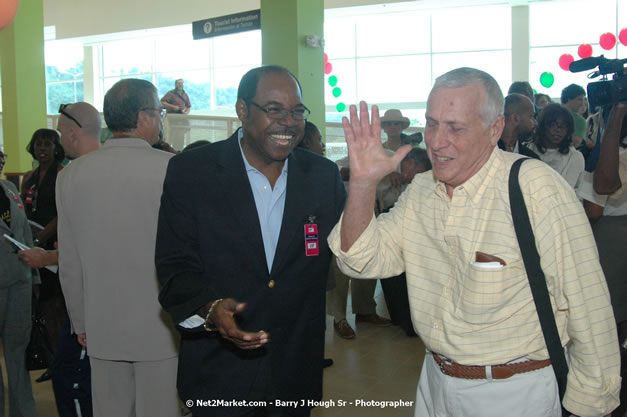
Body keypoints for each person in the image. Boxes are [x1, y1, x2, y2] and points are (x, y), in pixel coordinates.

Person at [328, 67, 620, 417]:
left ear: (494, 129)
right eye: (432, 123)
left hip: (513, 392)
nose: (436, 141)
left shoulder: (534, 188)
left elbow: (588, 304)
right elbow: (360, 260)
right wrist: (362, 182)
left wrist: (590, 405)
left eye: (455, 127)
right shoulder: (423, 190)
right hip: (434, 382)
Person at [155, 65, 345, 417]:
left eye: (297, 111)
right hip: (219, 370)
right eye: (274, 109)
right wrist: (209, 310)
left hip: (294, 371)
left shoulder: (321, 176)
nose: (288, 122)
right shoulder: (193, 172)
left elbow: (355, 251)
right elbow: (174, 264)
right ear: (242, 110)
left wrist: (365, 182)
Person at [56, 80, 179, 417]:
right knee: (159, 409)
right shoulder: (170, 169)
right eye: (159, 112)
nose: (160, 119)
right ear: (142, 117)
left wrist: (80, 322)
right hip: (161, 325)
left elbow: (68, 260)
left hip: (100, 322)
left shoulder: (71, 175)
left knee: (110, 409)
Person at [19, 102, 101, 417]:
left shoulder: (76, 175)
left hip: (91, 299)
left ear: (70, 132)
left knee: (72, 376)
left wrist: (46, 255)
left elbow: (87, 247)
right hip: (101, 298)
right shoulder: (92, 170)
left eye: (57, 133)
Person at [21, 128, 66, 383]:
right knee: (44, 305)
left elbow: (63, 213)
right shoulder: (28, 177)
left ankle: (61, 359)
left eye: (48, 144)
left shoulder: (62, 174)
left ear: (56, 148)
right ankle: (52, 359)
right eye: (38, 144)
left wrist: (41, 238)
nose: (42, 148)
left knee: (57, 304)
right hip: (32, 247)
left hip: (55, 246)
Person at [1, 150, 40, 417]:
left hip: (19, 281)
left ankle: (23, 411)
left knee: (17, 349)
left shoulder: (10, 188)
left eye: (1, 154)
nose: (2, 158)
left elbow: (24, 233)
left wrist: (34, 278)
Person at [528, 103, 584, 189]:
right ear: (543, 126)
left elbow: (572, 191)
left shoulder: (575, 157)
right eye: (553, 125)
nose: (558, 130)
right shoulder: (528, 149)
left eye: (564, 126)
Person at [498, 93, 539, 158]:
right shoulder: (486, 151)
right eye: (531, 117)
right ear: (515, 118)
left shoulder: (530, 157)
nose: (535, 122)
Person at [561, 83, 588, 149]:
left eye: (584, 99)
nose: (582, 103)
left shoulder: (551, 113)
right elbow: (574, 144)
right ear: (569, 99)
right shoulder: (580, 120)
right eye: (579, 99)